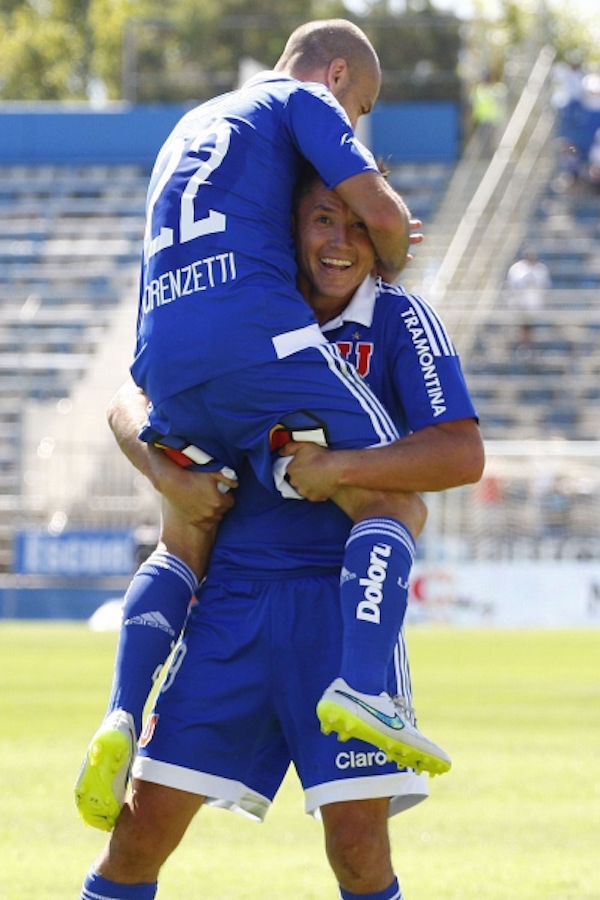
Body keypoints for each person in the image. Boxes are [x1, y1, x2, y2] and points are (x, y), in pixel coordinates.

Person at [76, 15, 452, 820]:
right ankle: (363, 687)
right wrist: (388, 245)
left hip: (164, 349)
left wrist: (153, 459)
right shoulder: (303, 99)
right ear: (340, 76)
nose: (352, 126)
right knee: (393, 496)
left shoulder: (190, 125)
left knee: (188, 523)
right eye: (361, 109)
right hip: (254, 339)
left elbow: (128, 382)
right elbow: (384, 219)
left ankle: (119, 706)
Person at [77, 169, 483, 900]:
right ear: (289, 226)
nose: (340, 242)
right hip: (232, 601)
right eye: (324, 219)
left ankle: (134, 704)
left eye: (361, 225)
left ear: (387, 234)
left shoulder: (399, 320)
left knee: (358, 848)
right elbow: (128, 392)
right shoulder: (242, 311)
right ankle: (122, 717)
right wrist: (162, 470)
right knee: (137, 831)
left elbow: (461, 452)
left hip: (341, 603)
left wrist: (341, 468)